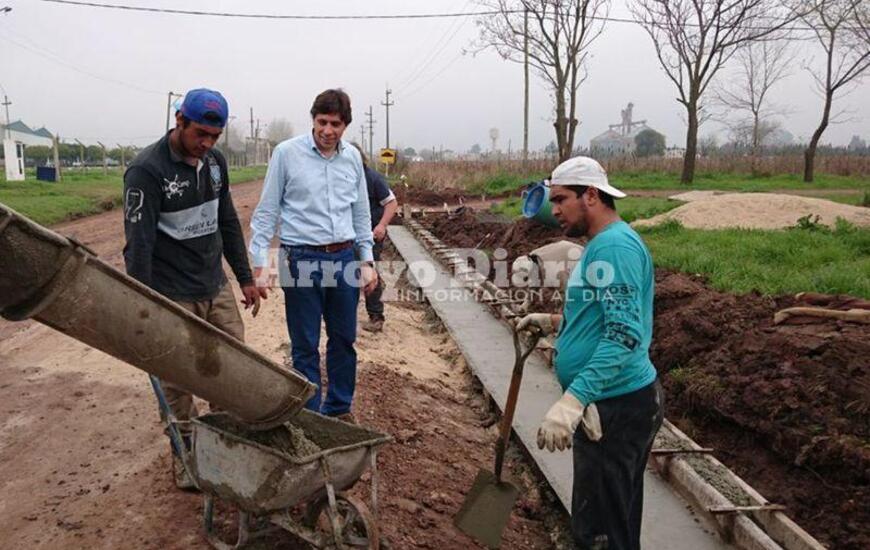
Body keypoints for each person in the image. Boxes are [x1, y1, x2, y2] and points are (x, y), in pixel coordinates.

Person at [516, 156, 663, 550]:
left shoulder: (614, 249)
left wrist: (574, 399)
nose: (555, 210)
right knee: (613, 522)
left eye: (562, 199)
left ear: (592, 196)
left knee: (599, 534)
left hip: (613, 407)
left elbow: (624, 334)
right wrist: (555, 321)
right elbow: (604, 315)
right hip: (612, 402)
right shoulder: (601, 245)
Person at [122, 88, 265, 488]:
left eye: (214, 137)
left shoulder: (215, 163)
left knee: (230, 365)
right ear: (179, 121)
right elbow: (140, 244)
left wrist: (245, 277)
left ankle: (224, 443)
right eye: (200, 133)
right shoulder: (146, 171)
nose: (206, 143)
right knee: (178, 377)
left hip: (213, 283)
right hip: (171, 291)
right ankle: (184, 454)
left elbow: (228, 222)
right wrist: (143, 305)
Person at [249, 89, 377, 423]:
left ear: (345, 126)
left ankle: (339, 409)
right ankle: (311, 417)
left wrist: (367, 260)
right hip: (300, 259)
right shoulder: (286, 154)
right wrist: (260, 261)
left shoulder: (351, 159)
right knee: (304, 344)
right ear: (313, 120)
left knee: (344, 339)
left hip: (344, 259)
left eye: (335, 124)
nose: (327, 131)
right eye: (322, 122)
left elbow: (361, 214)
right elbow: (266, 212)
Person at [351, 143, 398, 333]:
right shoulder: (341, 178)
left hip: (370, 236)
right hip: (347, 236)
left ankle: (376, 315)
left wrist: (381, 225)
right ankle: (347, 315)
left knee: (369, 274)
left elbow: (392, 203)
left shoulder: (373, 178)